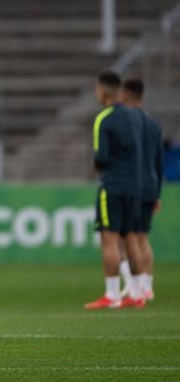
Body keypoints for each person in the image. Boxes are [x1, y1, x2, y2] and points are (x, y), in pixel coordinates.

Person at [85, 70, 146, 310]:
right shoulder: (135, 117)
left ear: (102, 90)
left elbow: (101, 158)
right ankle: (138, 292)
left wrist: (94, 167)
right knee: (132, 237)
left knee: (109, 238)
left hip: (112, 185)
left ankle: (111, 294)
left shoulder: (105, 118)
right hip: (135, 186)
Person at [121, 78, 163, 301]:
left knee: (127, 238)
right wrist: (157, 193)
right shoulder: (153, 124)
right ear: (142, 96)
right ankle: (147, 286)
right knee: (143, 238)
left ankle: (133, 286)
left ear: (124, 95)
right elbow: (159, 161)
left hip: (131, 186)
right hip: (150, 186)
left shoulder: (127, 123)